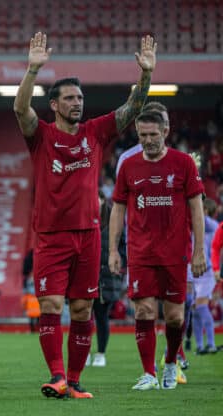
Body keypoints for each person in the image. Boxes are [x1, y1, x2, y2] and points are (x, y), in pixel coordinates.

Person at [13, 32, 156, 399]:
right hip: (51, 235)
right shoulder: (41, 136)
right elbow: (20, 109)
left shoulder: (94, 132)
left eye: (80, 98)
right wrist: (32, 71)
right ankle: (57, 375)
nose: (77, 103)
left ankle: (74, 381)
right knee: (51, 304)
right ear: (55, 105)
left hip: (89, 234)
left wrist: (145, 77)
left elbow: (133, 109)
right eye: (70, 98)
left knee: (82, 307)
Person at [109, 111, 206, 391]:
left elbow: (196, 210)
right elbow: (118, 208)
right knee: (144, 311)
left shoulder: (183, 163)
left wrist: (199, 250)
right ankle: (148, 373)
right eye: (142, 135)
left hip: (175, 253)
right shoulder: (128, 166)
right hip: (141, 252)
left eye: (153, 134)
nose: (148, 140)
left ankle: (172, 361)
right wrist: (113, 250)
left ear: (165, 131)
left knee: (175, 316)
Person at [87, 191, 124, 367]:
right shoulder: (84, 218)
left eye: (98, 198)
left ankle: (101, 353)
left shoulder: (114, 222)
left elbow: (124, 247)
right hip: (86, 275)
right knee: (82, 314)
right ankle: (84, 351)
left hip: (106, 277)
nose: (95, 201)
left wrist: (118, 262)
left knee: (101, 316)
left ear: (103, 200)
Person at [192, 198, 219, 354]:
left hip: (207, 271)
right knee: (195, 308)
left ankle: (211, 343)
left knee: (201, 305)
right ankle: (200, 345)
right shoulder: (193, 226)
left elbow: (206, 223)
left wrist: (198, 209)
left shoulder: (212, 225)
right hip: (193, 269)